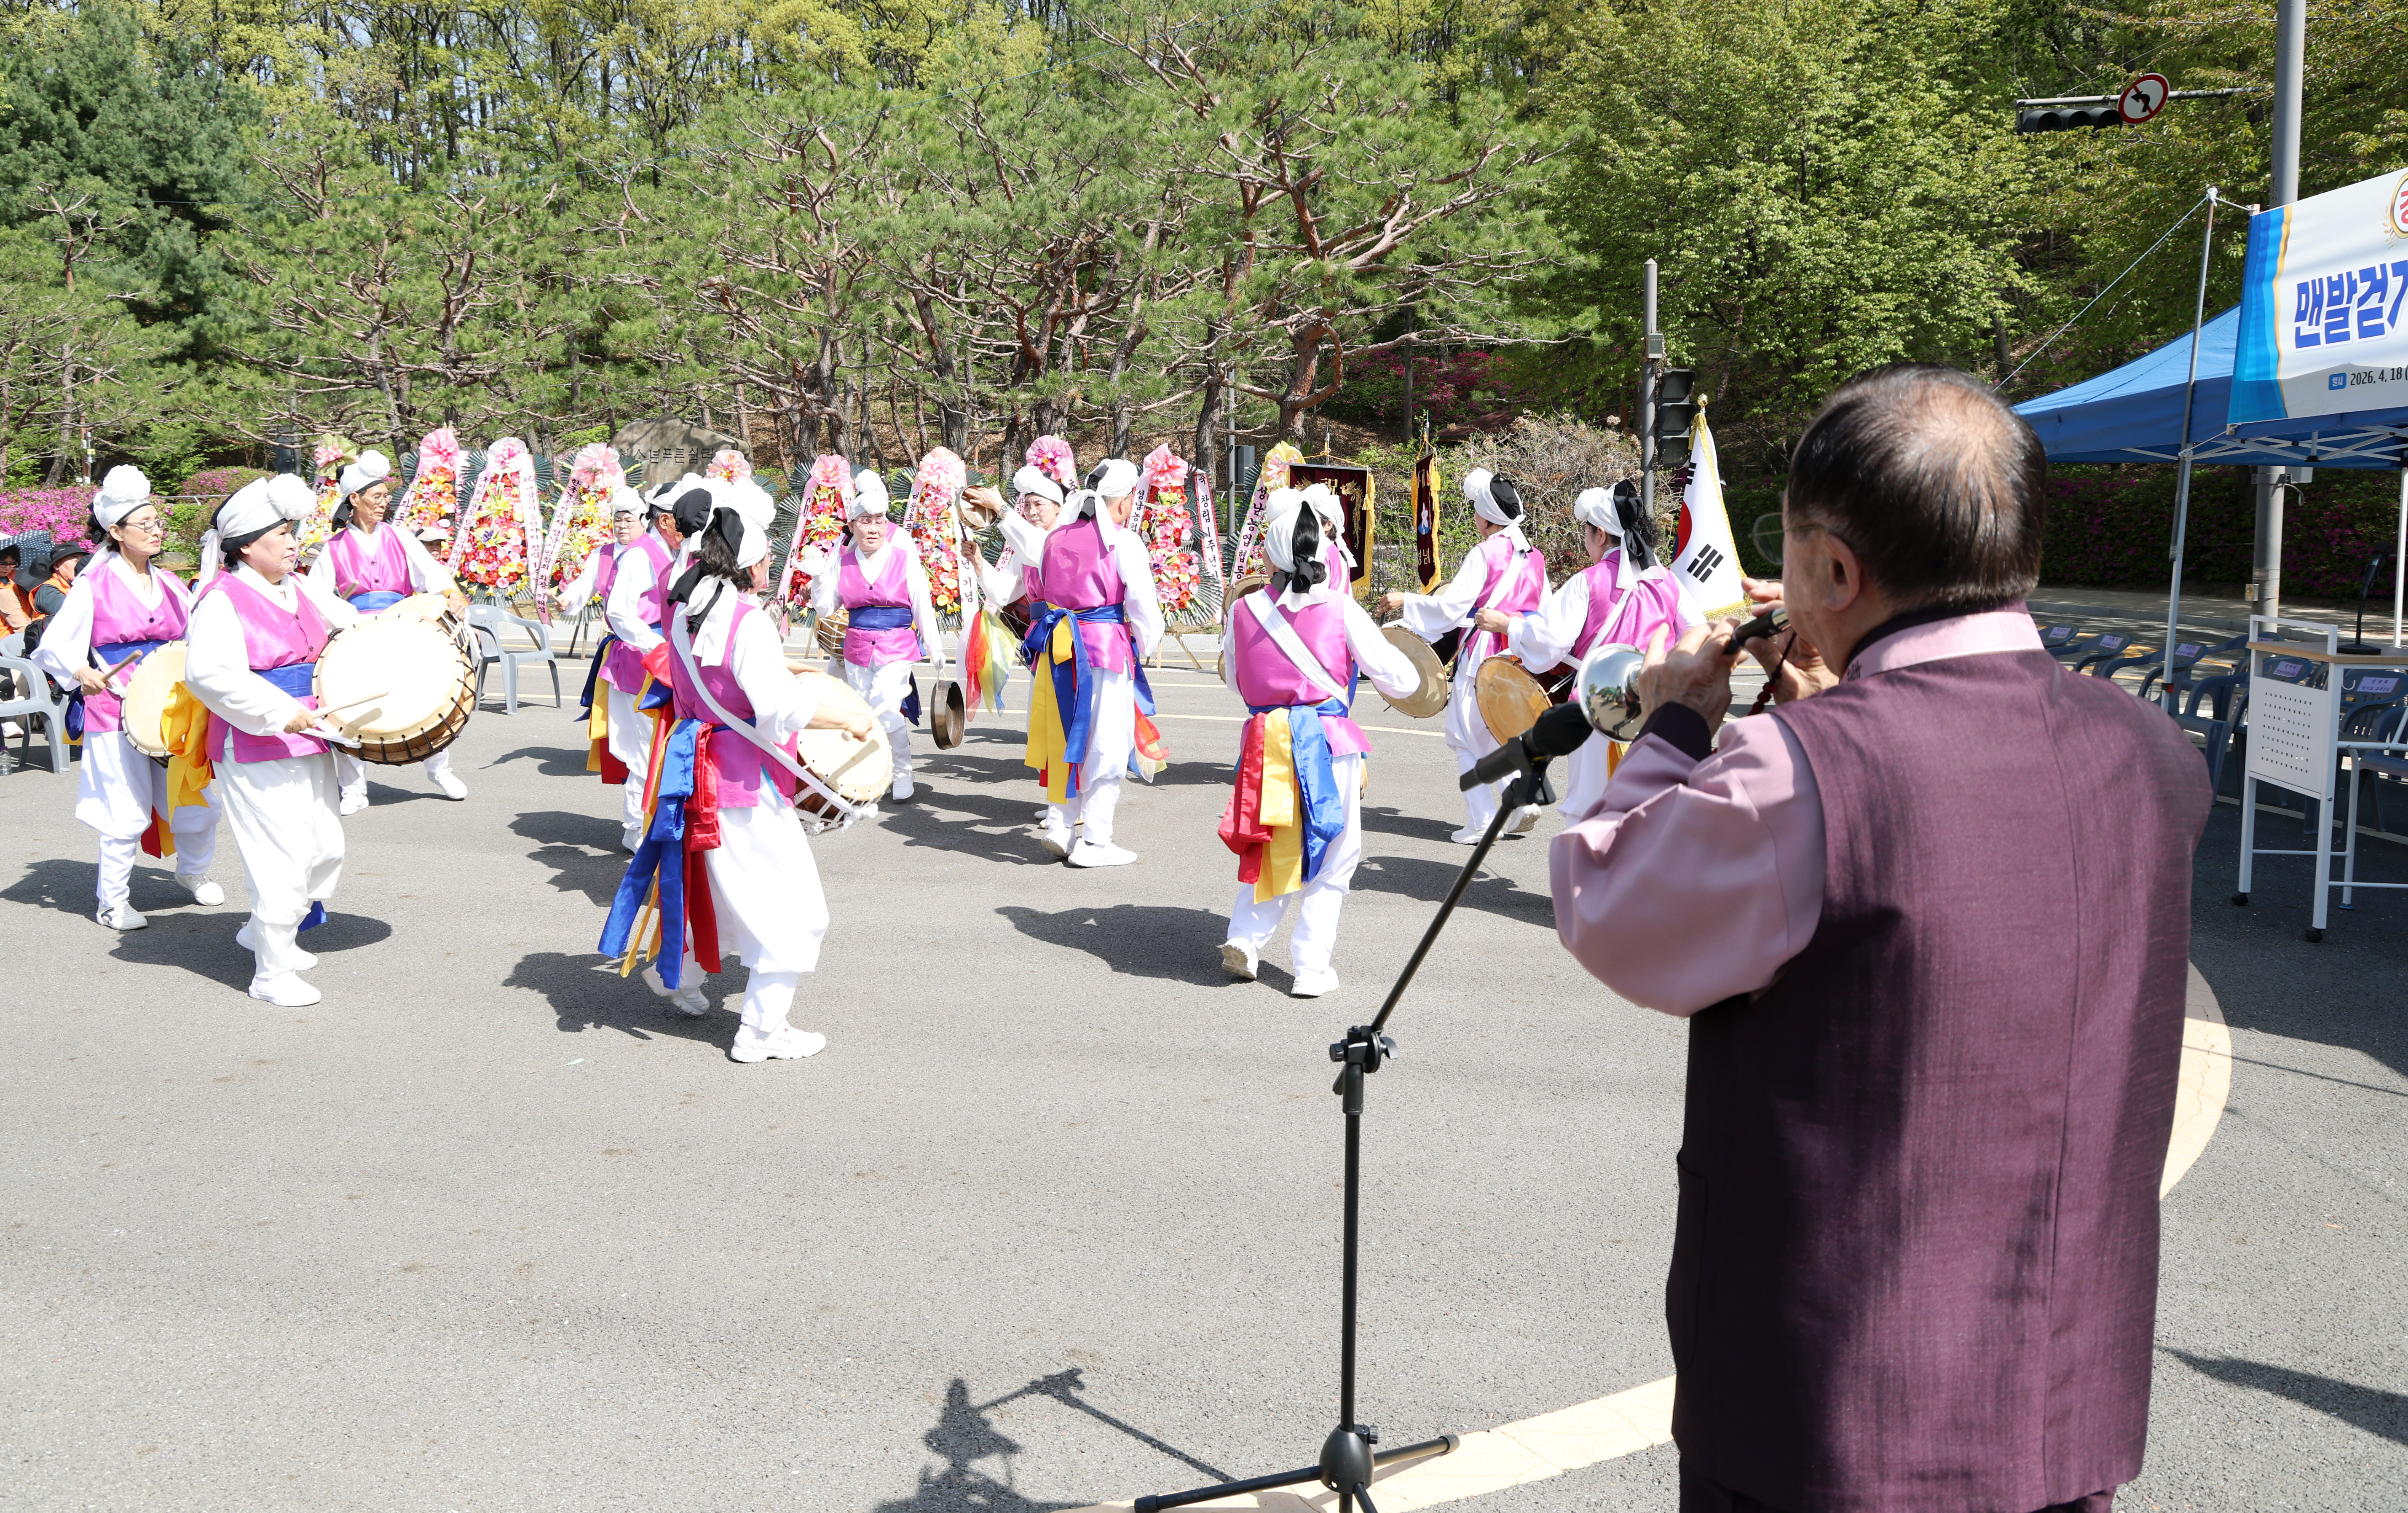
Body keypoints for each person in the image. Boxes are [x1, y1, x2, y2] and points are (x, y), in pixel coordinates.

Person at [1550, 365, 2212, 1513]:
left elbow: (1610, 909)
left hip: (1830, 1404)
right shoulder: (2154, 752)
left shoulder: (1800, 770)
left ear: (1834, 568)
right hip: (2061, 1393)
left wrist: (1670, 728)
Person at [597, 502, 875, 1062]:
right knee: (797, 911)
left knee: (723, 888)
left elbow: (703, 686)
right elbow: (776, 707)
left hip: (697, 774)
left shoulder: (684, 609)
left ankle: (676, 975)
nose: (773, 560)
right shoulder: (747, 619)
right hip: (743, 784)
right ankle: (761, 1031)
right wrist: (845, 717)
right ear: (751, 565)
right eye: (769, 553)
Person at [1217, 491, 1420, 996]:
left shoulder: (1244, 612)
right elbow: (1402, 678)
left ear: (1270, 556)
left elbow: (1237, 681)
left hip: (1268, 740)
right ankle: (1310, 967)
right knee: (1337, 853)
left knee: (1270, 840)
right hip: (1328, 741)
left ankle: (1246, 935)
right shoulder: (1341, 608)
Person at [185, 473, 364, 1008]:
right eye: (281, 534)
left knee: (325, 847)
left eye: (293, 532)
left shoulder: (300, 585)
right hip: (257, 741)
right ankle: (271, 970)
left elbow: (351, 624)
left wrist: (410, 619)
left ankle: (263, 933)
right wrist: (279, 710)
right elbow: (208, 675)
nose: (293, 542)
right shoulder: (221, 598)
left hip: (313, 736)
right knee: (280, 857)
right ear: (244, 545)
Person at [30, 467, 224, 929]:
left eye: (159, 522)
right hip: (115, 706)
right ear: (116, 532)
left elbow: (195, 635)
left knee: (196, 799)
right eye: (146, 524)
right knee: (125, 807)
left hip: (172, 708)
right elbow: (54, 645)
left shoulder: (174, 584)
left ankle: (193, 873)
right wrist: (82, 671)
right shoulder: (92, 586)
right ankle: (112, 901)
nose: (157, 531)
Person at [999, 457, 1164, 866]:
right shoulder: (1122, 542)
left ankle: (1060, 822)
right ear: (1124, 503)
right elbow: (1145, 609)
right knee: (1107, 743)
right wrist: (1142, 644)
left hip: (1059, 649)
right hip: (1103, 650)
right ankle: (1095, 840)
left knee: (1067, 737)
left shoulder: (1055, 538)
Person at [1503, 480, 1701, 818]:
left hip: (1599, 701)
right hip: (1656, 700)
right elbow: (1698, 633)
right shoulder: (1666, 580)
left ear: (1598, 534)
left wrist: (1511, 626)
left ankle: (1583, 868)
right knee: (1648, 804)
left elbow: (1548, 644)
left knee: (1588, 804)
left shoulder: (1587, 581)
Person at [1379, 468, 1551, 842]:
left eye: (1476, 510)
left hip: (1483, 654)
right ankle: (1522, 797)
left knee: (1462, 735)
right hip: (1518, 654)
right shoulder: (1534, 556)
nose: (1474, 516)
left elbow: (1453, 608)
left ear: (1488, 517)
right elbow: (1544, 609)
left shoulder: (1484, 553)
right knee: (1499, 729)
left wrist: (1405, 600)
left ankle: (1481, 821)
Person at [304, 449, 470, 811]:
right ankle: (354, 789)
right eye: (376, 497)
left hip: (403, 628)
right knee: (344, 708)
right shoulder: (333, 548)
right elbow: (316, 598)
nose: (383, 504)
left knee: (430, 694)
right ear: (355, 499)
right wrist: (348, 618)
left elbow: (432, 572)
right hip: (354, 634)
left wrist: (450, 594)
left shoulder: (400, 536)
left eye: (385, 497)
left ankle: (439, 768)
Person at [801, 471, 943, 805]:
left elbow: (922, 603)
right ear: (852, 527)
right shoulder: (842, 561)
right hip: (857, 648)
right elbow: (824, 610)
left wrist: (935, 648)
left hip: (897, 645)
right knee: (864, 710)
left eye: (879, 521)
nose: (873, 529)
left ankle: (904, 771)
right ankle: (872, 771)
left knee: (886, 706)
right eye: (865, 522)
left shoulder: (903, 557)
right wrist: (820, 579)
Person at [594, 483, 686, 850]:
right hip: (640, 659)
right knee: (645, 750)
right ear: (665, 520)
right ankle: (636, 828)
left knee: (658, 748)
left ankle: (646, 824)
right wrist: (657, 645)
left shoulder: (670, 552)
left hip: (662, 656)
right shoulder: (639, 556)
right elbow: (618, 612)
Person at [34, 544, 90, 620]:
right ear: (57, 566)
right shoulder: (48, 589)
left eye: (84, 560)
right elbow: (70, 613)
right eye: (76, 560)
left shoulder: (80, 584)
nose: (82, 564)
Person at [0, 542, 36, 631]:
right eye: (3, 564)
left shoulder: (18, 576)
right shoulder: (4, 593)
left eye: (13, 564)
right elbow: (20, 627)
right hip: (8, 635)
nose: (8, 568)